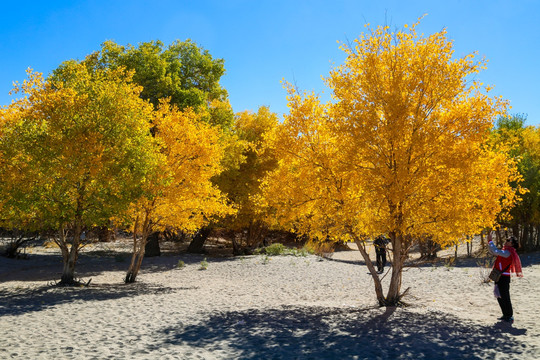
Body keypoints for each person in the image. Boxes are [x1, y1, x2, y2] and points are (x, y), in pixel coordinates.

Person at [487, 233, 523, 323]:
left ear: (512, 244)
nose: (506, 241)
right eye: (506, 239)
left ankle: (509, 315)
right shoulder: (505, 251)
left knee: (505, 296)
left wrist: (490, 241)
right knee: (499, 295)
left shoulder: (508, 252)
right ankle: (505, 314)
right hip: (499, 276)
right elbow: (493, 251)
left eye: (508, 240)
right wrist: (489, 243)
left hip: (504, 277)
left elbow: (495, 251)